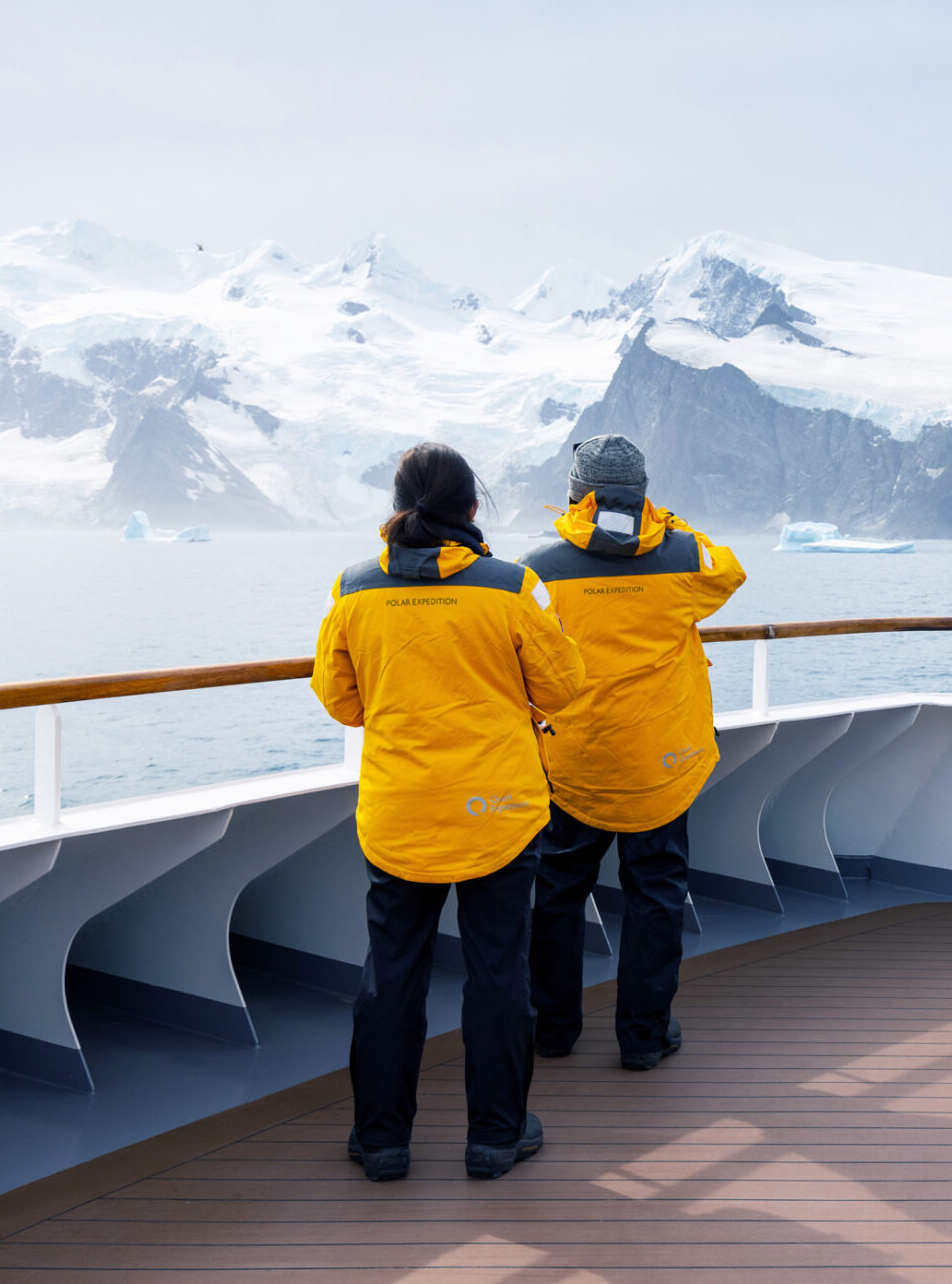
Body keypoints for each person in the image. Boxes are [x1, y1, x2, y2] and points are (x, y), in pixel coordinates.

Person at [311, 443, 584, 1182]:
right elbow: (561, 690)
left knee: (391, 972)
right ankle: (495, 1137)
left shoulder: (353, 588)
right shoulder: (514, 586)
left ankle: (382, 1141)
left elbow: (341, 701)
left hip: (400, 810)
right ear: (472, 509)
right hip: (496, 808)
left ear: (398, 506)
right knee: (497, 972)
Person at [523, 435, 747, 1071]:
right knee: (655, 897)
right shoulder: (682, 557)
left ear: (576, 492)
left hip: (575, 761)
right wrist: (662, 518)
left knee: (557, 894)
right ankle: (644, 1037)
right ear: (644, 495)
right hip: (658, 762)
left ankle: (553, 1029)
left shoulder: (537, 565)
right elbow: (727, 568)